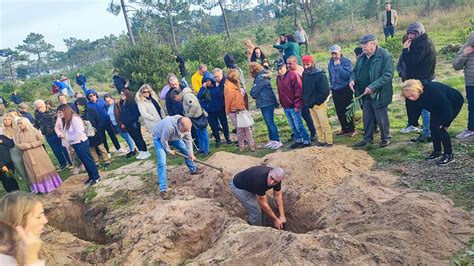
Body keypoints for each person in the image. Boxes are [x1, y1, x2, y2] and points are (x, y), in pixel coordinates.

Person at [402, 80, 464, 165]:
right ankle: (437, 151)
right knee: (433, 127)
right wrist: (413, 122)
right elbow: (412, 110)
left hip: (453, 102)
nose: (410, 98)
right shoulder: (410, 96)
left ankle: (449, 155)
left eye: (412, 95)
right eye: (408, 96)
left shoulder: (433, 92)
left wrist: (446, 123)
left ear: (418, 90)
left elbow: (446, 108)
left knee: (441, 129)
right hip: (435, 106)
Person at [350, 34, 394, 148]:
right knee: (367, 116)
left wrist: (372, 87)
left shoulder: (384, 55)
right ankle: (367, 138)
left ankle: (385, 137)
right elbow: (354, 72)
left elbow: (388, 75)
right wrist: (352, 80)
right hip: (364, 93)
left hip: (379, 93)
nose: (363, 47)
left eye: (365, 44)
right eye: (362, 44)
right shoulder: (362, 57)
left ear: (374, 44)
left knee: (381, 116)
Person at [152, 116, 203, 199]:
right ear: (179, 126)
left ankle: (193, 169)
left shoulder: (186, 126)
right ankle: (163, 189)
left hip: (174, 136)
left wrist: (191, 154)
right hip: (159, 137)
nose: (187, 131)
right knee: (162, 162)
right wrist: (169, 150)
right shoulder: (169, 127)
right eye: (185, 130)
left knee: (186, 151)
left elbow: (189, 140)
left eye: (188, 130)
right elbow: (163, 140)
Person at [402, 22, 436, 142]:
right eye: (409, 34)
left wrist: (405, 50)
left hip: (423, 80)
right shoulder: (422, 42)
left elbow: (412, 61)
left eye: (413, 34)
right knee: (424, 108)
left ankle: (428, 133)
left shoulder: (423, 44)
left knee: (426, 108)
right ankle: (427, 131)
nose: (410, 36)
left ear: (419, 33)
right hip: (425, 78)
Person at [14, 117, 63, 193]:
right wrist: (22, 146)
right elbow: (17, 145)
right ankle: (40, 189)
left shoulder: (34, 130)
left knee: (44, 169)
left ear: (26, 123)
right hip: (26, 155)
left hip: (38, 153)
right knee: (33, 171)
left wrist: (31, 144)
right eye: (18, 123)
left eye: (21, 123)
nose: (19, 125)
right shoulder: (18, 134)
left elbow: (41, 140)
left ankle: (51, 185)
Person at [0, 191, 48, 265]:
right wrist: (32, 260)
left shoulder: (23, 246)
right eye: (38, 217)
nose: (45, 221)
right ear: (17, 223)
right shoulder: (4, 260)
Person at [57, 104, 101, 185]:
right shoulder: (67, 119)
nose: (59, 115)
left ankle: (96, 177)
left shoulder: (75, 119)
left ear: (65, 111)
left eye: (60, 113)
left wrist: (69, 139)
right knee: (84, 160)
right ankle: (91, 176)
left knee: (88, 160)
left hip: (81, 142)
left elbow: (79, 132)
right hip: (75, 143)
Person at [276, 62, 311, 149]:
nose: (279, 71)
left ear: (285, 67)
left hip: (294, 105)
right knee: (292, 125)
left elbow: (299, 91)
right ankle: (298, 140)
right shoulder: (279, 78)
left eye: (280, 68)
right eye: (277, 69)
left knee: (298, 124)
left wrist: (297, 105)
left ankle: (307, 140)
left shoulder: (293, 75)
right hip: (286, 106)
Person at [301, 55, 333, 147]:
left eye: (308, 64)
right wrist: (307, 100)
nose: (306, 66)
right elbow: (304, 88)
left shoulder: (320, 75)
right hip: (310, 104)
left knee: (324, 124)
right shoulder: (305, 73)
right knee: (316, 124)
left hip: (319, 104)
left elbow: (325, 90)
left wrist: (317, 101)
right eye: (304, 65)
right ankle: (321, 140)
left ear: (313, 63)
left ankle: (329, 142)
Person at [249, 62, 282, 149]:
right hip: (266, 102)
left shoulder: (260, 78)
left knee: (270, 122)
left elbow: (253, 93)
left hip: (266, 102)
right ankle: (272, 140)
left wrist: (253, 90)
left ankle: (277, 141)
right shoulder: (263, 75)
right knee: (269, 122)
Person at [33, 100, 71, 170]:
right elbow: (36, 124)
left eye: (40, 107)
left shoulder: (53, 111)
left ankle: (71, 163)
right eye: (37, 108)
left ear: (44, 105)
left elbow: (62, 120)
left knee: (64, 148)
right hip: (48, 135)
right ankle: (63, 164)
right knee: (56, 151)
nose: (39, 109)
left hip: (57, 133)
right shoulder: (36, 114)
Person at [328, 44, 355, 137]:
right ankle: (344, 128)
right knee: (339, 110)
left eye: (335, 53)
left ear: (340, 52)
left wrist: (339, 66)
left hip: (345, 88)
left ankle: (351, 129)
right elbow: (330, 76)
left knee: (348, 109)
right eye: (332, 54)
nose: (334, 56)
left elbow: (347, 75)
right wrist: (331, 85)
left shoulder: (346, 62)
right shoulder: (330, 62)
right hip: (335, 89)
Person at [197, 71, 231, 147]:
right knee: (214, 127)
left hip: (220, 109)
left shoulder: (218, 86)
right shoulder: (204, 90)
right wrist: (203, 87)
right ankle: (217, 140)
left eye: (208, 80)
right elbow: (198, 97)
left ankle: (228, 138)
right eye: (205, 81)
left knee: (224, 124)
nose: (207, 82)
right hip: (210, 111)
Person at [173, 87, 210, 156]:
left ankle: (206, 150)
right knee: (199, 134)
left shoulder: (186, 96)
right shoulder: (184, 97)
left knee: (203, 134)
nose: (175, 99)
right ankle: (201, 149)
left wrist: (189, 116)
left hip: (199, 118)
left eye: (175, 97)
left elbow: (194, 106)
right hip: (195, 118)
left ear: (178, 94)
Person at [287, 56, 317, 141]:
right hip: (293, 100)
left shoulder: (302, 70)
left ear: (296, 63)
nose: (288, 65)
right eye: (287, 63)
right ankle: (297, 134)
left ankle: (313, 133)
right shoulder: (288, 72)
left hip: (303, 98)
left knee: (307, 117)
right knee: (294, 119)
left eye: (290, 64)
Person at [225, 69, 255, 152]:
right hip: (234, 111)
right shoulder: (228, 87)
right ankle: (242, 146)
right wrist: (227, 111)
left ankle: (251, 144)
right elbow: (228, 100)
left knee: (247, 127)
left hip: (241, 109)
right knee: (240, 129)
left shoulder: (236, 83)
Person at [76, 98, 111, 168]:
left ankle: (107, 160)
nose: (78, 106)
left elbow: (98, 120)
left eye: (79, 104)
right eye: (77, 105)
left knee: (101, 147)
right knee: (91, 149)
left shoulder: (91, 110)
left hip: (96, 132)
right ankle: (96, 162)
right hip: (86, 134)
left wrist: (97, 129)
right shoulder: (79, 114)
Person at [86, 89, 124, 154]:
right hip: (98, 124)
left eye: (94, 94)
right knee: (103, 138)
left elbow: (108, 108)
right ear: (88, 97)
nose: (93, 96)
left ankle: (118, 148)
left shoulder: (102, 101)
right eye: (90, 96)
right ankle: (107, 152)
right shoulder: (88, 105)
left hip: (107, 121)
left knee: (113, 135)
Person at [453, 31, 474, 139]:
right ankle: (471, 129)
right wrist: (464, 55)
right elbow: (456, 65)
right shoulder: (466, 47)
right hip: (471, 83)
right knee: (472, 106)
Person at [119, 89, 151, 160]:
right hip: (128, 125)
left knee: (139, 138)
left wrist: (129, 120)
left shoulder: (132, 103)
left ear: (127, 95)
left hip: (134, 124)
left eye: (123, 94)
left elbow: (137, 113)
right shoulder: (122, 103)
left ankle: (145, 152)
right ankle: (141, 152)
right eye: (121, 94)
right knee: (135, 139)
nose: (122, 96)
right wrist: (123, 122)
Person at [2, 113, 30, 188]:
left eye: (9, 119)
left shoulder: (18, 127)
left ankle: (37, 183)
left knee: (29, 166)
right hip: (12, 151)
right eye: (5, 119)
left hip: (24, 147)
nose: (7, 121)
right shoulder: (1, 131)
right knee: (20, 168)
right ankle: (29, 185)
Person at [0, 128, 20, 192]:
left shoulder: (2, 137)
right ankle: (11, 196)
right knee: (6, 180)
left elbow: (11, 143)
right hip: (2, 165)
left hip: (9, 163)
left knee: (12, 178)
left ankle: (17, 193)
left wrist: (2, 141)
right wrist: (2, 165)